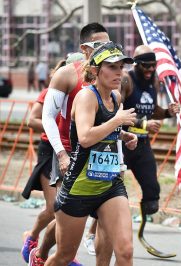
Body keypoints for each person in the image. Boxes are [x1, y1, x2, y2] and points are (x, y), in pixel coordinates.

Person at [44, 41, 137, 266]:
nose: (119, 73)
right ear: (95, 70)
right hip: (79, 186)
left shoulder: (115, 97)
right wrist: (117, 121)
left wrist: (123, 135)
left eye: (121, 67)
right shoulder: (86, 97)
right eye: (112, 67)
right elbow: (85, 137)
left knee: (125, 253)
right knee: (64, 256)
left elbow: (107, 129)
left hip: (109, 183)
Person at [27, 22, 111, 266]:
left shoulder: (110, 74)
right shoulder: (67, 75)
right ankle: (41, 255)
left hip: (100, 154)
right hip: (70, 152)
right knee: (70, 214)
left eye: (108, 43)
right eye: (100, 45)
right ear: (85, 48)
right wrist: (62, 154)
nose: (106, 48)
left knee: (104, 217)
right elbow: (47, 118)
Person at [21, 57, 83, 266]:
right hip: (52, 149)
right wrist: (55, 127)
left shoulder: (87, 92)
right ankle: (32, 239)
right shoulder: (53, 91)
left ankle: (62, 253)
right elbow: (32, 120)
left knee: (67, 208)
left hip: (74, 150)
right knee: (54, 207)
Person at [119, 45, 179, 237]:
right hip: (122, 143)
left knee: (152, 192)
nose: (150, 70)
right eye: (146, 66)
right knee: (112, 191)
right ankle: (96, 229)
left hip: (142, 145)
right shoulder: (126, 80)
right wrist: (143, 124)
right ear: (136, 64)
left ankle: (142, 228)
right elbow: (114, 114)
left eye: (153, 66)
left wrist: (168, 112)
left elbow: (152, 110)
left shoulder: (153, 81)